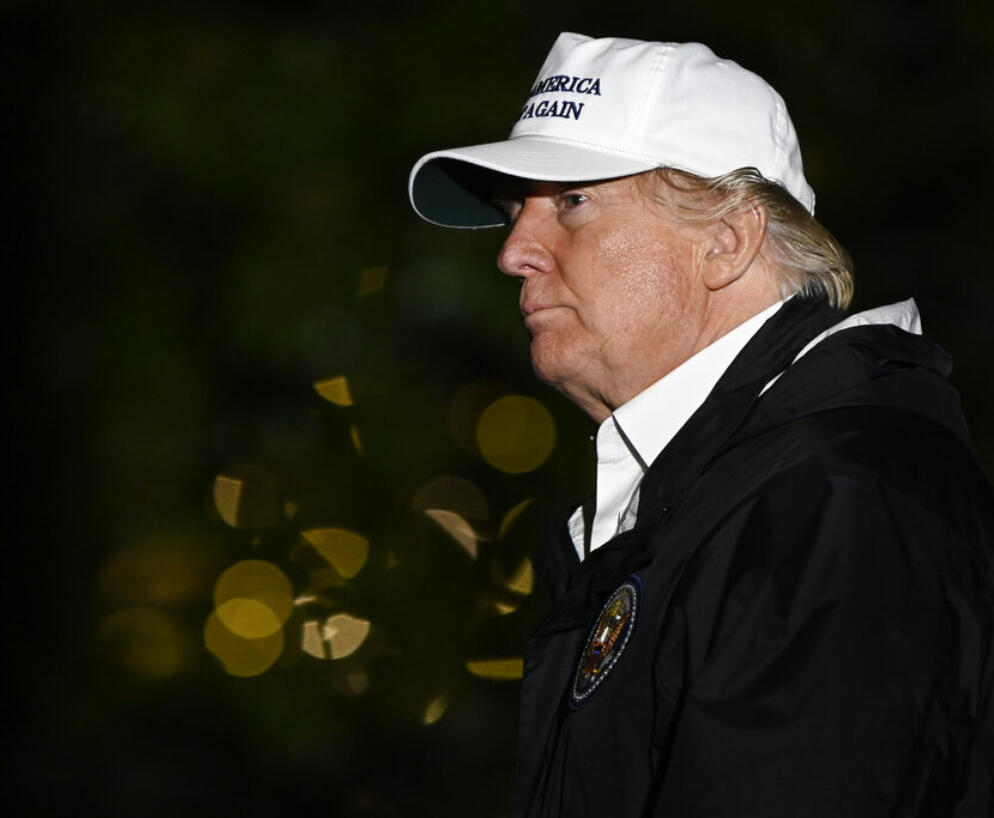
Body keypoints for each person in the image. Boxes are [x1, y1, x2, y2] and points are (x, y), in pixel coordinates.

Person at [408, 33, 993, 817]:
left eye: (572, 201)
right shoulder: (729, 494)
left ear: (726, 239)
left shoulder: (833, 502)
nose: (515, 250)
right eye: (517, 211)